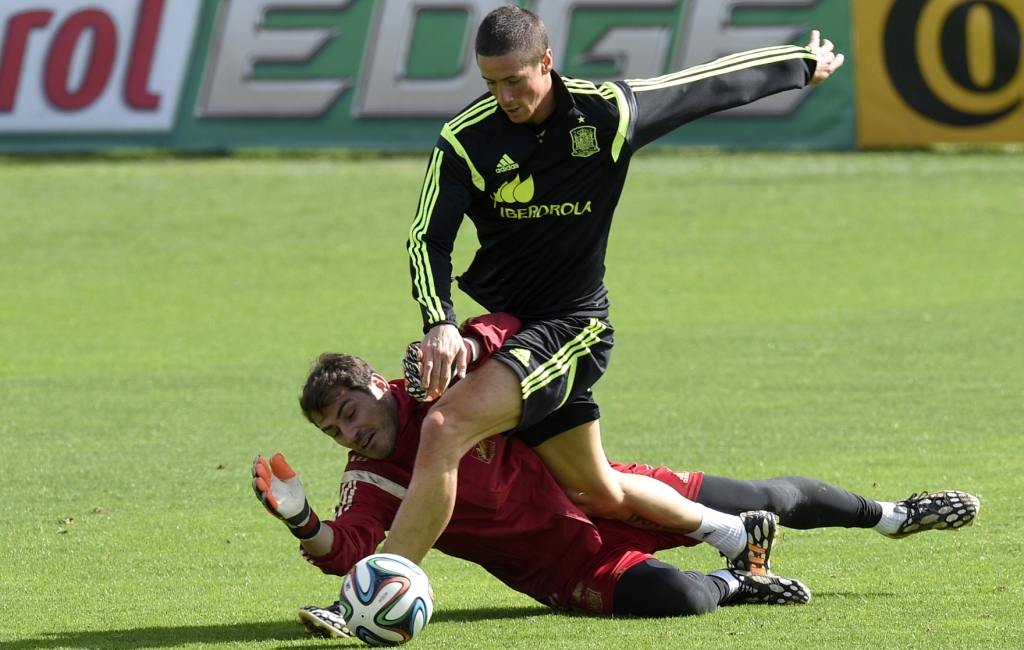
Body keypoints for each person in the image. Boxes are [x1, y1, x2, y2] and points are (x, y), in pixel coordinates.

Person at [392, 5, 848, 565]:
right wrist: (438, 320)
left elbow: (702, 87)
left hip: (571, 325)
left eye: (514, 81)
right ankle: (736, 536)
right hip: (507, 328)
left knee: (444, 427)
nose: (504, 98)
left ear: (546, 62)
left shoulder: (605, 113)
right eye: (490, 84)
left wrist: (799, 62)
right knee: (595, 491)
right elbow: (427, 238)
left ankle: (375, 590)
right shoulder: (466, 139)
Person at [251, 315, 980, 637]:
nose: (350, 432)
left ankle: (895, 514)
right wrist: (299, 518)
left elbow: (511, 328)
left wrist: (464, 339)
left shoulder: (441, 386)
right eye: (333, 431)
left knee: (769, 497)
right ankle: (739, 580)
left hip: (610, 485)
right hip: (564, 563)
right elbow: (351, 556)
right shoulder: (369, 477)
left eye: (351, 411)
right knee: (682, 601)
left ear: (378, 383)